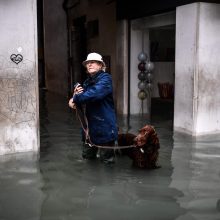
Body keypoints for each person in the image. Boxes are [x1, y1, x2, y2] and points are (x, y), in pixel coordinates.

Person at [68, 52, 118, 164]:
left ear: (100, 65)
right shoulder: (87, 82)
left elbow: (93, 95)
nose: (89, 65)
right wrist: (73, 99)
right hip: (90, 129)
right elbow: (83, 98)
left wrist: (75, 98)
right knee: (87, 159)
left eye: (93, 62)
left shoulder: (106, 79)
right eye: (87, 63)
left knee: (107, 163)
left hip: (105, 128)